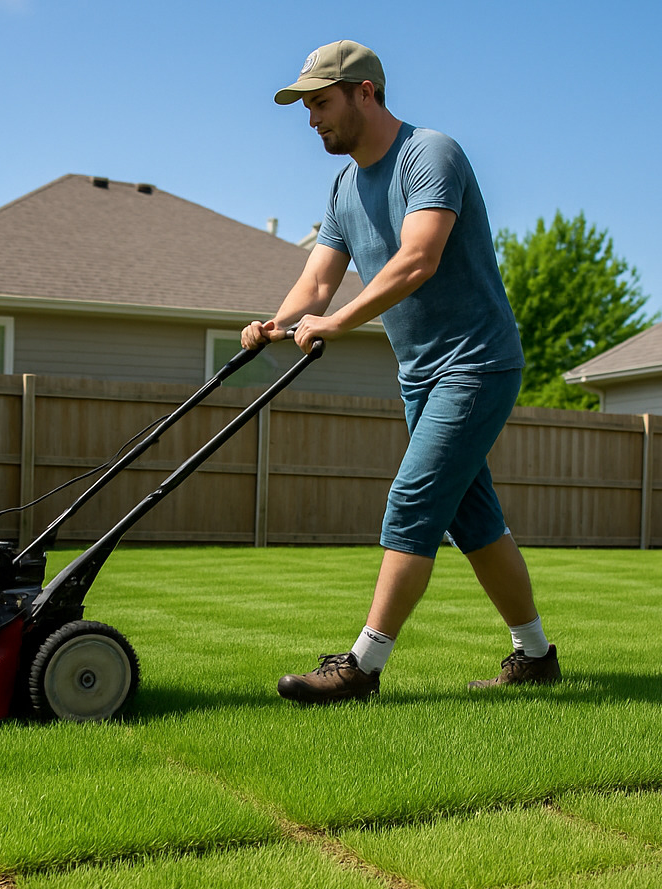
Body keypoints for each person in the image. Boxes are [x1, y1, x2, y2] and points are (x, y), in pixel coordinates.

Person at [242, 40, 561, 703]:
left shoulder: (429, 154)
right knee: (475, 521)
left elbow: (419, 258)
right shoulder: (344, 187)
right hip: (420, 375)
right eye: (306, 108)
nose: (312, 120)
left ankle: (362, 667)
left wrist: (337, 323)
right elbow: (318, 281)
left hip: (475, 362)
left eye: (321, 103)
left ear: (364, 92)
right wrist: (276, 324)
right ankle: (535, 657)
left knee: (413, 500)